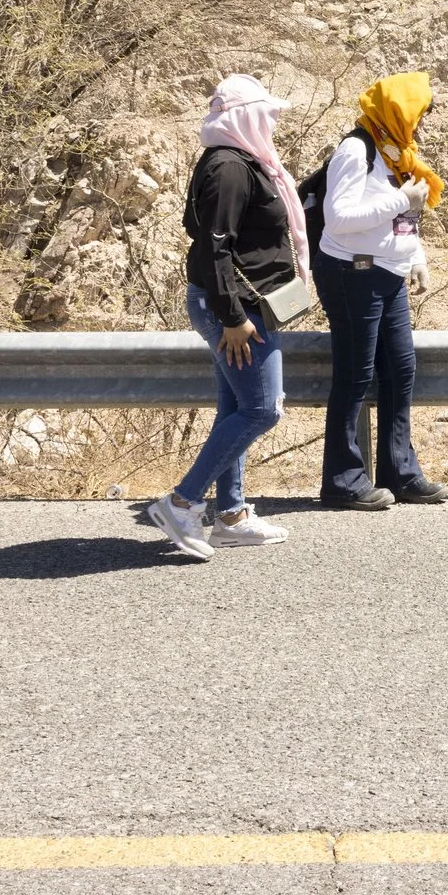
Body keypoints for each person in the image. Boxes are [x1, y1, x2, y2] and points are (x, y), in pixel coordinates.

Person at [146, 74, 299, 559]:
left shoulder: (243, 163)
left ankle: (231, 515)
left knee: (236, 410)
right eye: (266, 114)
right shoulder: (229, 167)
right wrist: (233, 317)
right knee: (261, 410)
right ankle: (182, 502)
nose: (272, 122)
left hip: (243, 305)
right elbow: (215, 247)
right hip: (237, 310)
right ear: (244, 117)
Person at [314, 71, 448, 510]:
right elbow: (339, 218)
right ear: (398, 110)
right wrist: (401, 199)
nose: (423, 123)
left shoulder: (397, 152)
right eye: (420, 114)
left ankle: (400, 471)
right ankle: (343, 480)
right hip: (351, 274)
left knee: (400, 370)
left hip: (387, 273)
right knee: (355, 375)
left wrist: (416, 258)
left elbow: (403, 219)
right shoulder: (356, 150)